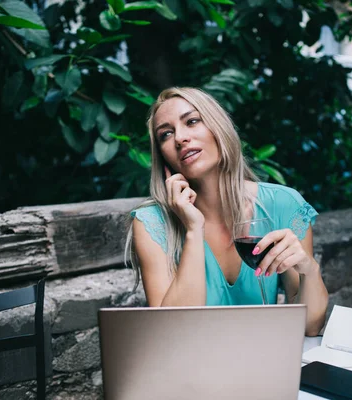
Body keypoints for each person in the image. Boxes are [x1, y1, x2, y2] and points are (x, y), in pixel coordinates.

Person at [125, 87, 328, 336]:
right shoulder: (151, 222)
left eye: (192, 121)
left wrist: (310, 269)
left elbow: (310, 326)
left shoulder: (283, 204)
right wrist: (192, 230)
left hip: (266, 362)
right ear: (163, 156)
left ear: (218, 128)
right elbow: (172, 333)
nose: (179, 138)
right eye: (166, 134)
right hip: (193, 369)